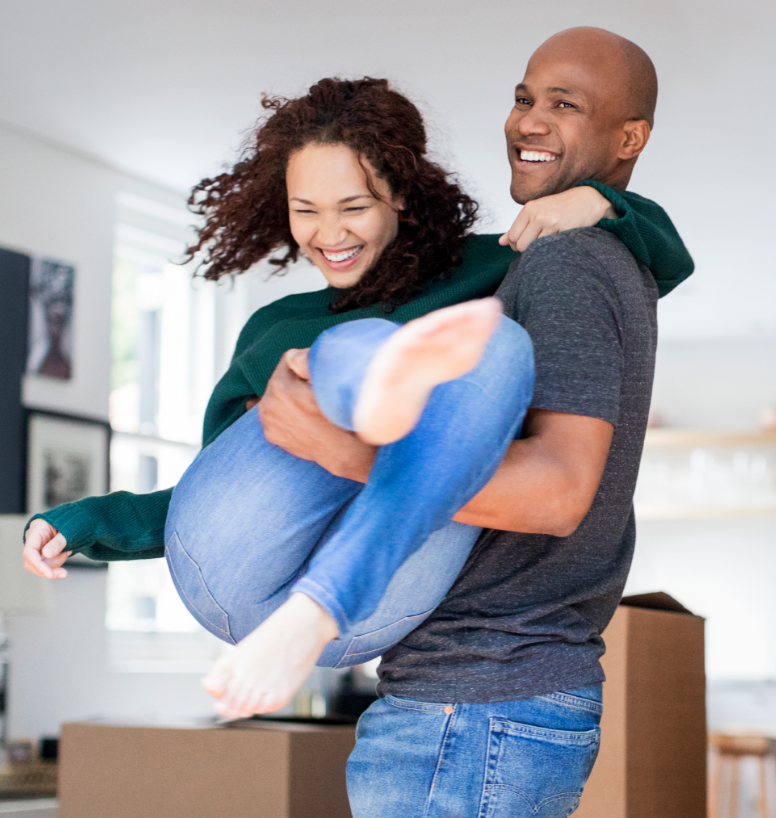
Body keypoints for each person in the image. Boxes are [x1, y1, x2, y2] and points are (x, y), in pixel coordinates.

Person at [23, 56, 688, 788]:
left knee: (497, 348)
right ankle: (370, 385)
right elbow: (224, 500)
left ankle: (380, 408)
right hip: (233, 567)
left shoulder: (493, 268)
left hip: (363, 605)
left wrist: (598, 203)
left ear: (401, 195)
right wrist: (91, 521)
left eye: (354, 207)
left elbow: (663, 255)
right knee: (354, 354)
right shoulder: (273, 330)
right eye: (305, 211)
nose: (328, 234)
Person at [250, 28, 685, 818]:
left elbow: (557, 491)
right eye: (524, 97)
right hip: (489, 700)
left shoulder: (568, 261)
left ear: (630, 138)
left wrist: (348, 454)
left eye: (564, 104)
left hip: (476, 703)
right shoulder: (584, 253)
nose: (529, 121)